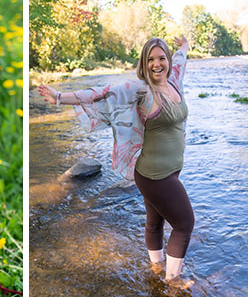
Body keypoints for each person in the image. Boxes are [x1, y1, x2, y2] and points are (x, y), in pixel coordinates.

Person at [38, 34, 194, 287]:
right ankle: (173, 283)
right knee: (185, 224)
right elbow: (100, 93)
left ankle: (155, 269)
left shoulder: (173, 82)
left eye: (161, 58)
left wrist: (184, 47)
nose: (157, 64)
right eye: (151, 59)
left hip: (171, 170)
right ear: (143, 64)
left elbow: (181, 61)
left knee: (155, 222)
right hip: (154, 174)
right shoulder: (140, 90)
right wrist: (58, 97)